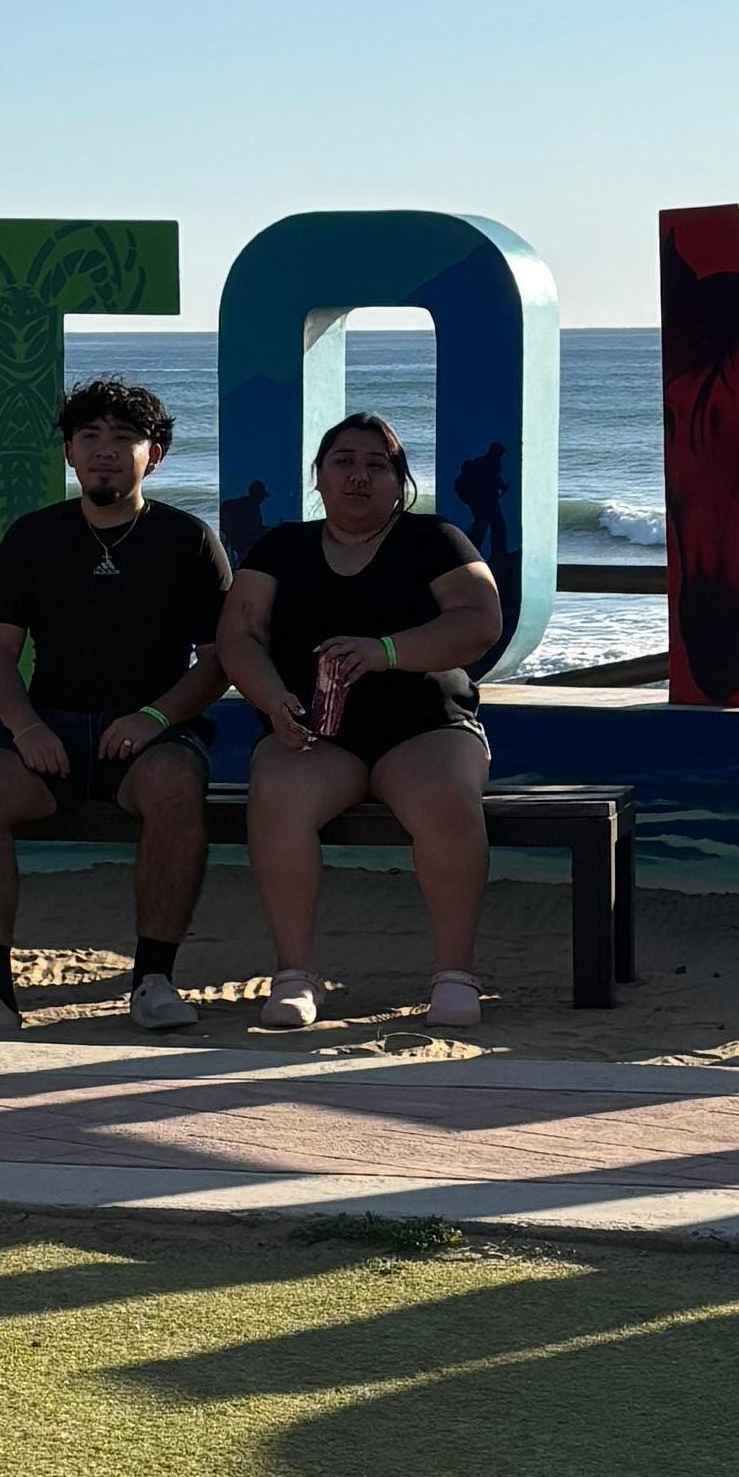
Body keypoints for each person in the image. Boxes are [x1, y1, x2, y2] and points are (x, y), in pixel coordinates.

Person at [0, 381, 230, 1030]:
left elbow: (219, 660)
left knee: (177, 787)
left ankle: (154, 979)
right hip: (53, 731)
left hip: (155, 732)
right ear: (69, 452)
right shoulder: (34, 538)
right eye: (90, 438)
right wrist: (26, 727)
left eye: (124, 438)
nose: (106, 451)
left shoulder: (188, 540)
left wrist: (155, 717)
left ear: (152, 455)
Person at [219, 409, 506, 1035]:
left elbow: (479, 620)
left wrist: (387, 651)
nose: (359, 476)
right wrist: (271, 699)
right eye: (343, 462)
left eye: (378, 465)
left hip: (425, 727)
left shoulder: (435, 539)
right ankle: (294, 974)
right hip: (316, 733)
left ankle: (454, 974)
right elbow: (238, 634)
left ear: (399, 481)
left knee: (445, 802)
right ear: (318, 477)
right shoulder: (281, 547)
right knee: (277, 794)